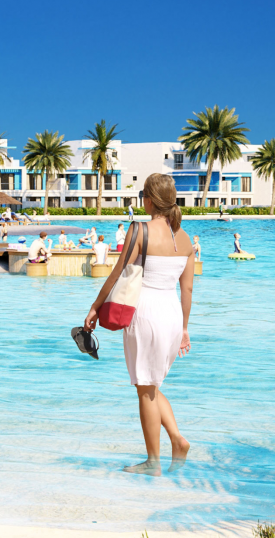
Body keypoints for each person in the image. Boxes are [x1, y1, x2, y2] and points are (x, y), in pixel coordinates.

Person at [81, 173, 195, 473]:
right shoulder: (184, 238)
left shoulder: (139, 229)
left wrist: (95, 307)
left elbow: (119, 272)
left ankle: (153, 462)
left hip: (145, 313)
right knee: (151, 384)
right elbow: (188, 289)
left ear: (149, 199)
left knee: (144, 388)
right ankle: (176, 440)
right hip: (172, 315)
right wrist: (184, 329)